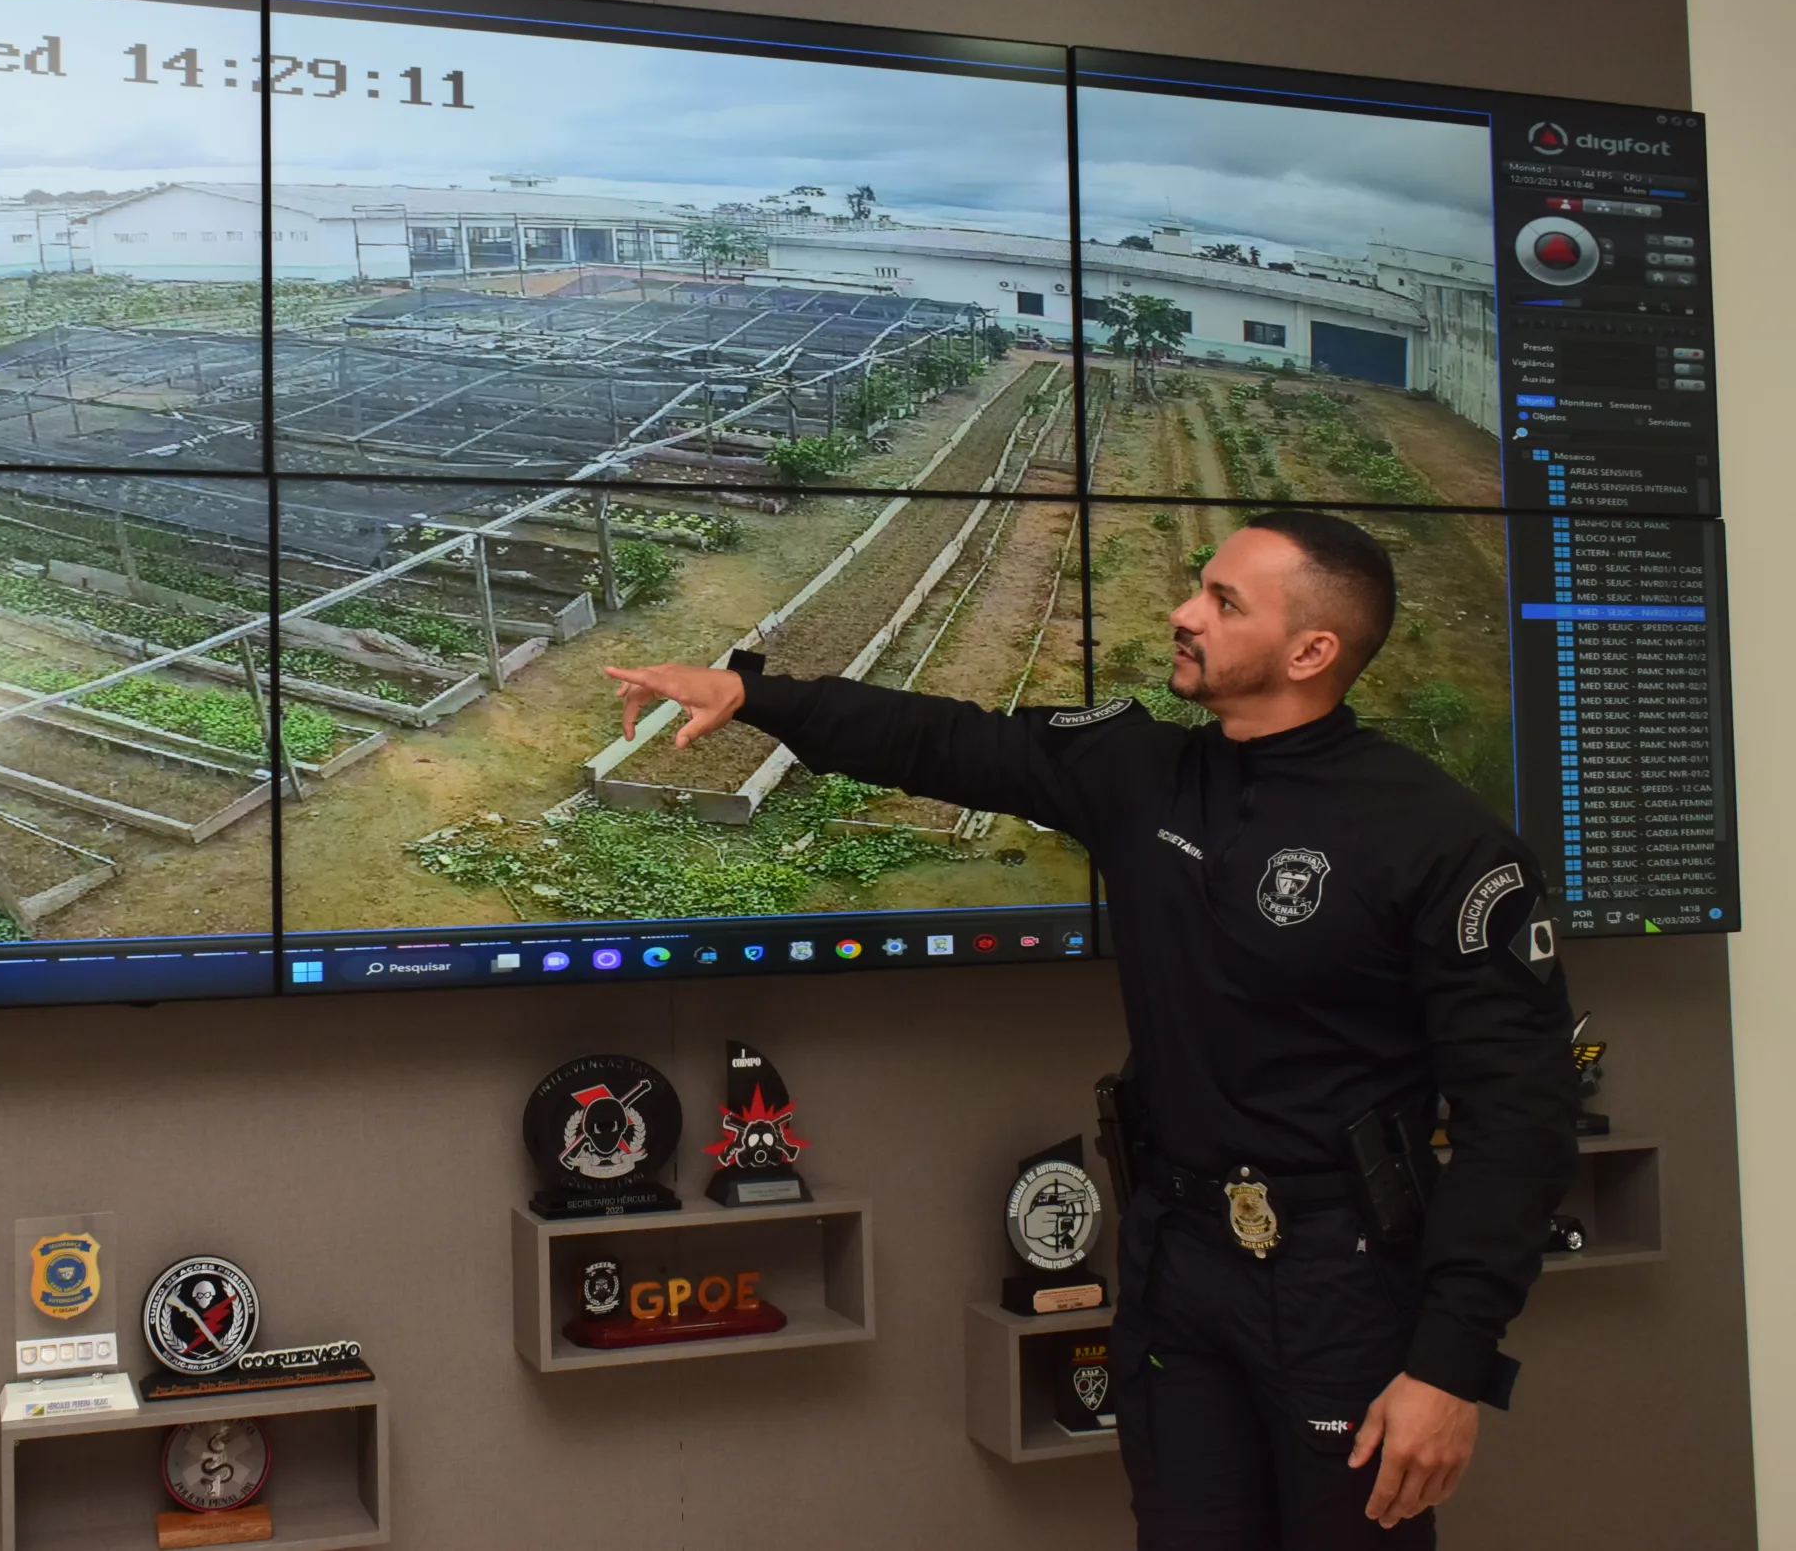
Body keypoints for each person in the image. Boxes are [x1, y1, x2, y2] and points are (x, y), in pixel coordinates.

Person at [605, 510, 1576, 1549]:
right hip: (1175, 1260)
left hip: (1343, 1280)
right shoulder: (1141, 772)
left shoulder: (1440, 845)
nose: (1182, 612)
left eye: (1222, 602)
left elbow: (1516, 1121)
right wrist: (753, 694)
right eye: (1198, 589)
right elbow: (943, 741)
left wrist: (1446, 1367)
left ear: (1310, 651)